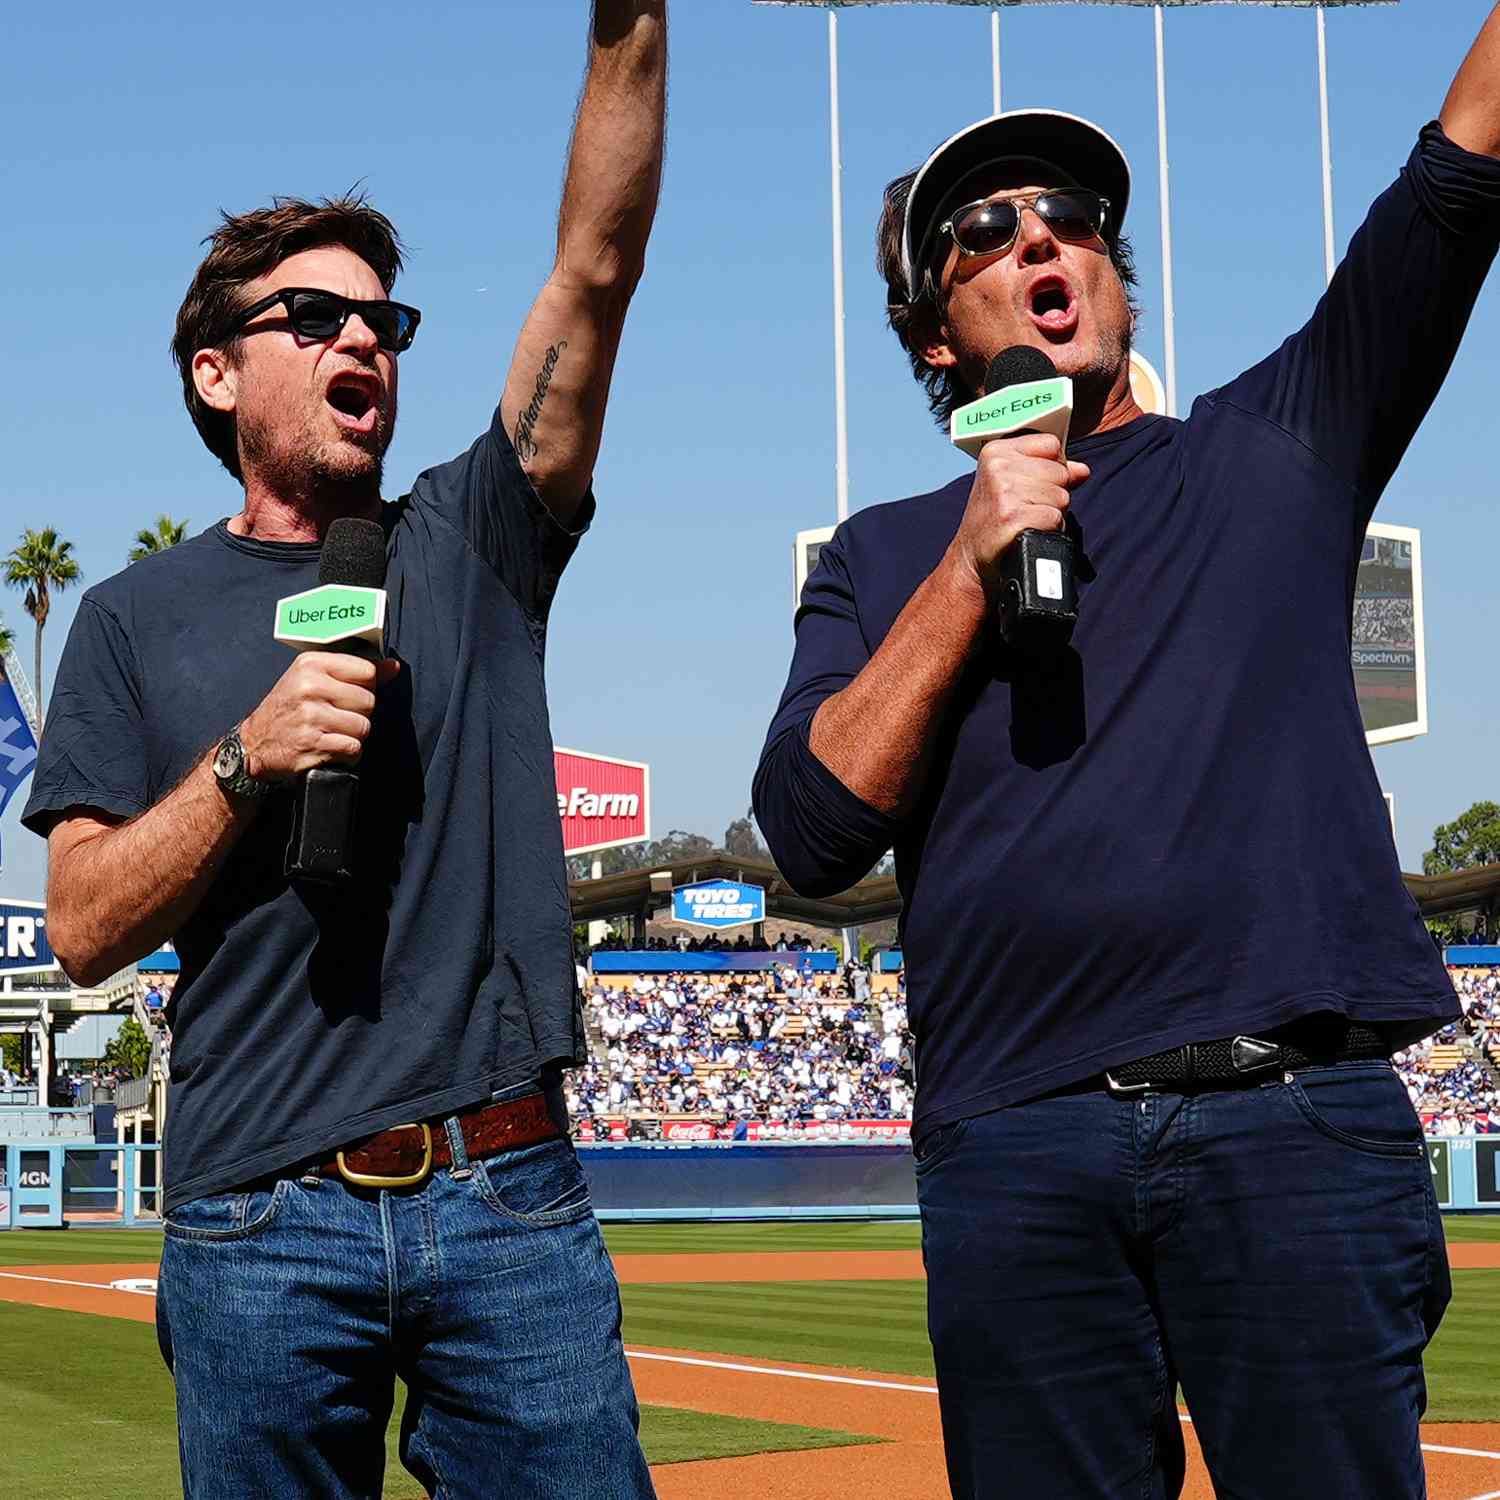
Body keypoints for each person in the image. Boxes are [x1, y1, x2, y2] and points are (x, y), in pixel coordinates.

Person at [754, 13, 1500, 1496]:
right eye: (985, 230)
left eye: (1076, 219)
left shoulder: (1280, 440)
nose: (1044, 241)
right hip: (1019, 1152)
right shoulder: (878, 555)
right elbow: (814, 828)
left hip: (1289, 1124)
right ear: (931, 334)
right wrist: (973, 564)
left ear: (1119, 286)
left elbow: (1467, 159)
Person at [23, 6, 666, 1496]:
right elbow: (81, 926)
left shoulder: (475, 537)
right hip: (256, 1223)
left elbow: (597, 262)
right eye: (311, 319)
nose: (362, 334)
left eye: (383, 318)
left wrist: (627, 32)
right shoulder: (128, 620)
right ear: (215, 375)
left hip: (510, 1197)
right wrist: (246, 760)